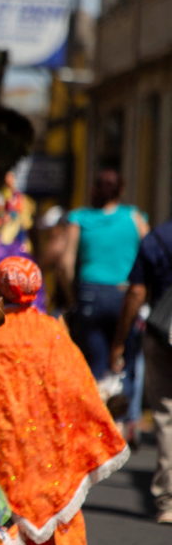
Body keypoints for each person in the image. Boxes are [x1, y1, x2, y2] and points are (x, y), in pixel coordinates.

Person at [0, 257, 128, 545]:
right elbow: (80, 392)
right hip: (44, 453)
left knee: (3, 533)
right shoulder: (51, 331)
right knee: (41, 541)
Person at [112, 217, 172, 524]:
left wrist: (120, 342)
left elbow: (136, 292)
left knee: (165, 415)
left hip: (163, 333)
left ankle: (168, 500)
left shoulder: (157, 238)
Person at [62, 168, 148, 380]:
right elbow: (149, 254)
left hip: (90, 292)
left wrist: (73, 297)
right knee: (124, 361)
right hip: (125, 294)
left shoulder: (79, 218)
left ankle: (96, 409)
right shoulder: (135, 217)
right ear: (121, 190)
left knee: (94, 364)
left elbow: (65, 264)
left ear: (94, 190)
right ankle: (123, 409)